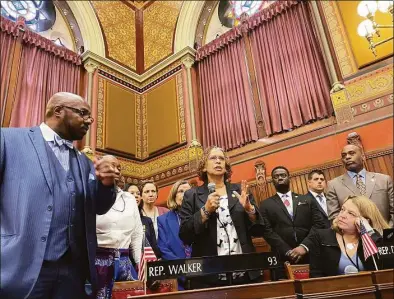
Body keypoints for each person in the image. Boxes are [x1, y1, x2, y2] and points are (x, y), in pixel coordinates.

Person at [0, 92, 119, 299]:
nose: (90, 120)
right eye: (83, 113)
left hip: (72, 274)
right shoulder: (8, 140)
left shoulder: (85, 162)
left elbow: (98, 207)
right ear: (58, 111)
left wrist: (107, 185)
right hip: (20, 268)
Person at [179, 146, 263, 289]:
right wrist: (205, 211)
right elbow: (185, 235)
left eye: (221, 158)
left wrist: (250, 210)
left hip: (244, 272)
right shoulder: (192, 195)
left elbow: (260, 230)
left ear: (226, 166)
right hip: (209, 276)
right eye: (213, 158)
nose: (218, 161)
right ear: (204, 167)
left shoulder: (240, 191)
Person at [259, 166, 327, 275]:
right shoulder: (265, 204)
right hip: (282, 257)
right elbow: (267, 230)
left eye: (283, 175)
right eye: (276, 176)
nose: (280, 178)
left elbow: (318, 224)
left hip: (309, 253)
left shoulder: (307, 200)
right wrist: (287, 251)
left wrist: (304, 246)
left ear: (289, 178)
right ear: (272, 181)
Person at [95, 157, 143, 299]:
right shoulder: (91, 194)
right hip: (98, 262)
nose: (115, 170)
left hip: (124, 262)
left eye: (118, 168)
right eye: (111, 166)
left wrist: (140, 263)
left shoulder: (129, 199)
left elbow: (136, 234)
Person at [309, 195, 389, 277]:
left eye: (351, 213)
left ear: (365, 220)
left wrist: (369, 231)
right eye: (342, 209)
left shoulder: (373, 240)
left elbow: (383, 270)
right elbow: (315, 275)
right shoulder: (320, 236)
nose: (342, 215)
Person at [327, 144, 393, 226]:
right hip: (355, 236)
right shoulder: (333, 185)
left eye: (351, 153)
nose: (347, 157)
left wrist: (388, 233)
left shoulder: (384, 180)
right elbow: (335, 218)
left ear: (363, 157)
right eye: (344, 155)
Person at [157, 180, 192, 290]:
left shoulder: (201, 216)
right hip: (176, 277)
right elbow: (163, 249)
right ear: (174, 196)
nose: (185, 194)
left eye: (188, 191)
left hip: (201, 275)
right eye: (181, 191)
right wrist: (183, 271)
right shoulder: (163, 220)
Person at [125, 183, 161, 258]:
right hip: (125, 261)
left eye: (138, 193)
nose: (136, 195)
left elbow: (154, 246)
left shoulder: (147, 220)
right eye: (132, 193)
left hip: (146, 262)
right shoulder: (120, 218)